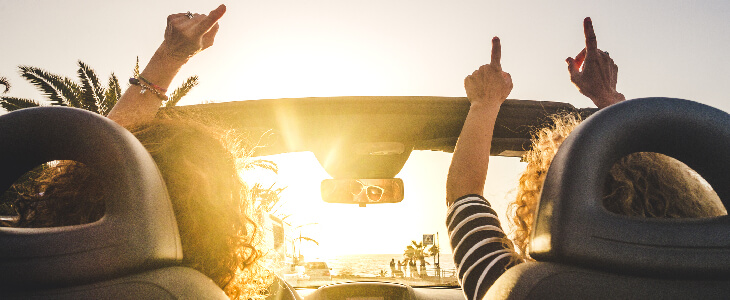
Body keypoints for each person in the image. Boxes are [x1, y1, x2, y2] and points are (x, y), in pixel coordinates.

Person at [5, 5, 279, 300]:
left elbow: (104, 148)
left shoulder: (18, 273)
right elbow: (107, 147)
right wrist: (172, 56)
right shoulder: (186, 292)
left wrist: (170, 55)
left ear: (77, 189)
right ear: (218, 221)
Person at [445, 17, 726, 300]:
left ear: (547, 207)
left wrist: (485, 102)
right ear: (681, 195)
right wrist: (609, 98)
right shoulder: (717, 280)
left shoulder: (522, 288)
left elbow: (463, 194)